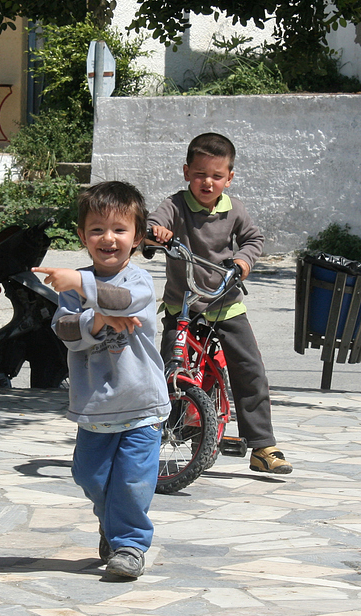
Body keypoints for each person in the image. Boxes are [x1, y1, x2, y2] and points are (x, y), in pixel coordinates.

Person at [32, 181, 171, 579]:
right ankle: (113, 522)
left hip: (142, 402)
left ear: (137, 236)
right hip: (95, 406)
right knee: (89, 475)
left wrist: (82, 286)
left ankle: (129, 543)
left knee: (131, 480)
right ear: (83, 236)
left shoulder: (138, 281)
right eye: (97, 230)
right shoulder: (72, 288)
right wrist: (96, 319)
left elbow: (123, 302)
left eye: (119, 230)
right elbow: (65, 330)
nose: (108, 238)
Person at [148, 132, 292, 475]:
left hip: (225, 303)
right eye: (200, 174)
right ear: (186, 173)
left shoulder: (234, 209)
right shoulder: (175, 205)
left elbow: (253, 239)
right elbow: (153, 225)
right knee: (172, 368)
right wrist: (158, 234)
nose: (207, 182)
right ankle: (173, 432)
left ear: (229, 178)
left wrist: (242, 262)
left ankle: (262, 445)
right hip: (182, 305)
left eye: (216, 176)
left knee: (249, 369)